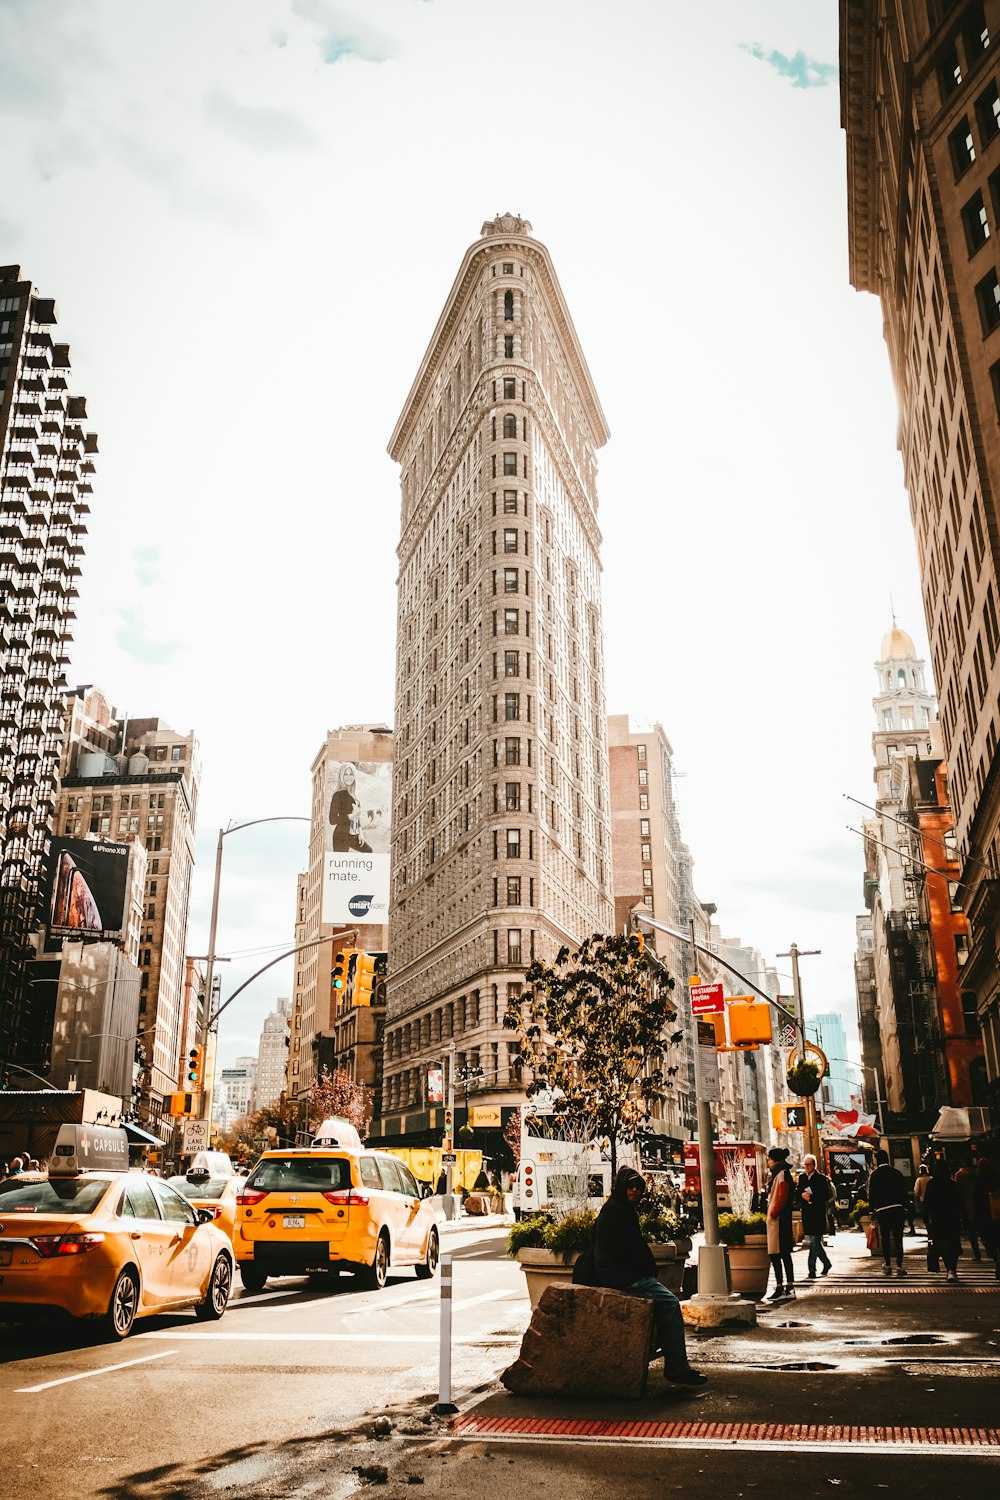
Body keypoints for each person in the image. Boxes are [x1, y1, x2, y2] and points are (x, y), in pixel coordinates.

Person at [592, 1166, 707, 1387]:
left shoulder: (619, 1209)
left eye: (638, 1187)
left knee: (663, 1301)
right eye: (630, 1187)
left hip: (621, 1274)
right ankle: (677, 1367)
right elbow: (624, 1251)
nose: (634, 1191)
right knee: (671, 1303)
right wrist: (644, 1270)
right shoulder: (617, 1212)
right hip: (622, 1277)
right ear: (621, 1188)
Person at [868, 1151, 907, 1276]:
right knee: (898, 1238)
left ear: (877, 1161)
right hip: (897, 1208)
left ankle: (888, 1264)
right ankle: (900, 1266)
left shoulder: (874, 1175)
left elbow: (872, 1194)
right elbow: (903, 1191)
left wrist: (871, 1210)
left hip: (882, 1210)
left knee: (885, 1238)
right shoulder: (897, 1173)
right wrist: (904, 1206)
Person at [765, 1147, 796, 1300]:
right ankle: (782, 1286)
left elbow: (783, 1197)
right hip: (776, 1220)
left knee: (781, 1253)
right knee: (778, 1254)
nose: (768, 1162)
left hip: (779, 1220)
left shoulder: (782, 1174)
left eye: (770, 1159)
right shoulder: (779, 1174)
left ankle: (786, 1287)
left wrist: (774, 1212)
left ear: (775, 1160)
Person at [924, 1159, 963, 1280]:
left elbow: (927, 1204)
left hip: (937, 1219)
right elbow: (959, 1204)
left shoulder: (932, 1184)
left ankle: (948, 1268)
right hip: (952, 1219)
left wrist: (926, 1220)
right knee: (952, 1244)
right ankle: (952, 1270)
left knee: (941, 1244)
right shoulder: (952, 1185)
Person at [797, 1153, 833, 1280]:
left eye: (809, 1165)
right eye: (805, 1165)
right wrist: (802, 1195)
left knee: (814, 1241)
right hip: (807, 1214)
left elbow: (825, 1195)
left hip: (817, 1214)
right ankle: (826, 1263)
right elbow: (797, 1193)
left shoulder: (821, 1178)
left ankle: (811, 1268)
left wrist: (811, 1197)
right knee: (815, 1242)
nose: (806, 1167)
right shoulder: (802, 1178)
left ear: (814, 1165)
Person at [328, 763, 372, 853]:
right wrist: (350, 816)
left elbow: (357, 818)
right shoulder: (338, 795)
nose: (348, 777)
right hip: (341, 836)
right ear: (341, 776)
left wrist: (361, 834)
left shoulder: (356, 796)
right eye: (345, 774)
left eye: (351, 774)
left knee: (369, 851)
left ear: (354, 776)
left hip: (354, 835)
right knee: (341, 865)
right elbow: (332, 820)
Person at [972, 1158, 1000, 1281]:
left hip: (986, 1217)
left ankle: (997, 1261)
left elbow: (976, 1202)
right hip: (997, 1214)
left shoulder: (978, 1181)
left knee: (991, 1241)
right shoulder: (996, 1178)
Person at [954, 1158, 982, 1261]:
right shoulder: (976, 1174)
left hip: (965, 1206)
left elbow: (956, 1191)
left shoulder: (959, 1175)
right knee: (982, 1230)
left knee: (971, 1232)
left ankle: (977, 1254)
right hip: (979, 1204)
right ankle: (992, 1253)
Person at [913, 1163, 931, 1233]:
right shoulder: (930, 1178)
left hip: (923, 1199)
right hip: (932, 1200)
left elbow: (916, 1191)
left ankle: (929, 1231)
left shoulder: (919, 1180)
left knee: (926, 1216)